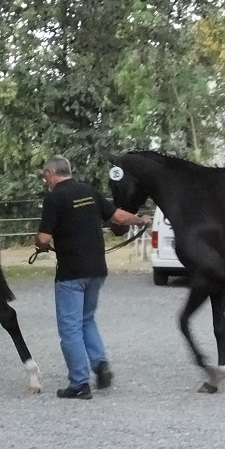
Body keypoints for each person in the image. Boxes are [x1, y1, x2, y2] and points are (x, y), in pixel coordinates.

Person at [35, 155, 152, 400]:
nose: (45, 179)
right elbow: (119, 217)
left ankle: (79, 383)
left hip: (71, 272)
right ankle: (100, 365)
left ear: (51, 173)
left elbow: (44, 239)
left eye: (46, 175)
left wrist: (41, 246)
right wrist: (141, 219)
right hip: (97, 269)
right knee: (87, 319)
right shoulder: (88, 191)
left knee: (70, 328)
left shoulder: (54, 198)